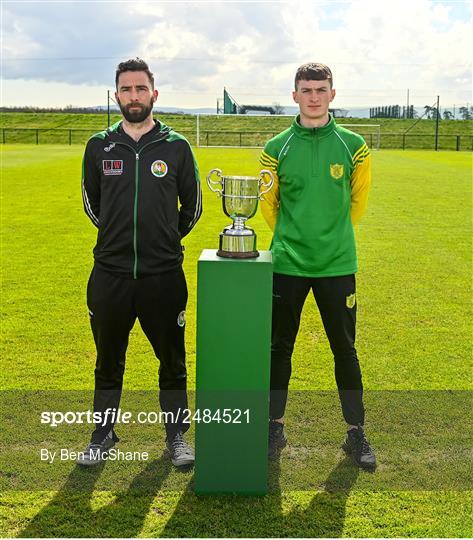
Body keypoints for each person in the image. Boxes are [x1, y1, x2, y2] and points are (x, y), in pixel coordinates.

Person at [79, 58, 202, 467]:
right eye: (126, 89)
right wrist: (118, 240)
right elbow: (93, 204)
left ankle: (177, 436)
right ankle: (102, 432)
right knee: (108, 359)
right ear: (117, 95)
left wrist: (162, 240)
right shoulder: (99, 145)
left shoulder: (176, 146)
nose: (134, 96)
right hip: (110, 275)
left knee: (172, 359)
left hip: (163, 276)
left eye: (141, 89)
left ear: (154, 94)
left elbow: (193, 206)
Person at [259, 62, 376, 470]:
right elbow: (268, 205)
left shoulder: (354, 145)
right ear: (294, 95)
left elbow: (357, 203)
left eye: (320, 89)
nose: (313, 96)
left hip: (337, 264)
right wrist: (293, 240)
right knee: (278, 349)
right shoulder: (275, 148)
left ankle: (356, 433)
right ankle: (273, 427)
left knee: (345, 350)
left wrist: (329, 237)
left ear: (332, 94)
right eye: (306, 90)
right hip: (287, 264)